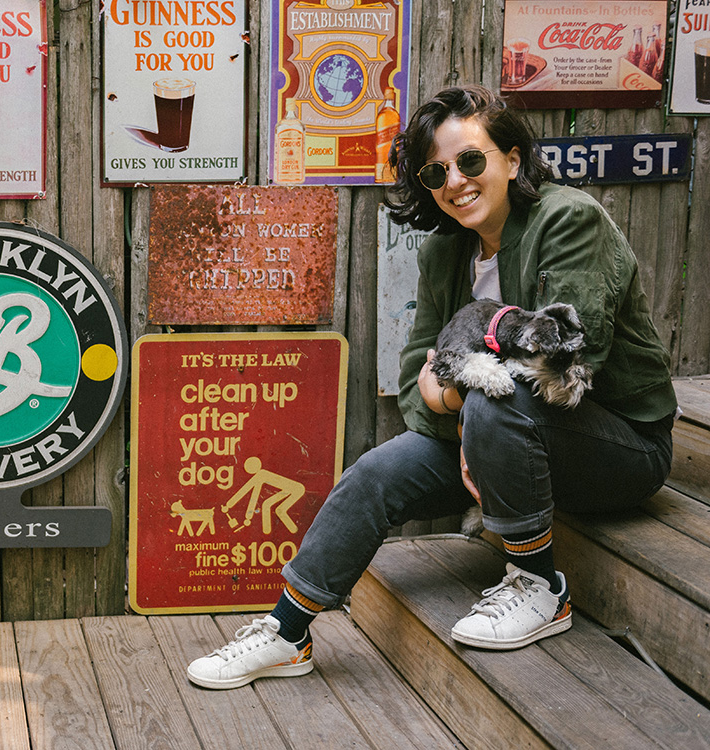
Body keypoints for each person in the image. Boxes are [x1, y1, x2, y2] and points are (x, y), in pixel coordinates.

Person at [186, 84, 677, 690]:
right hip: (499, 442)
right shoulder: (447, 252)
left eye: (471, 160)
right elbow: (415, 389)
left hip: (617, 446)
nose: (455, 181)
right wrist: (460, 404)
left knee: (504, 399)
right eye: (435, 171)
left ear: (512, 160)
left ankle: (540, 585)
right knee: (377, 471)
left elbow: (566, 361)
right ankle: (286, 632)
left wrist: (461, 392)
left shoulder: (568, 219)